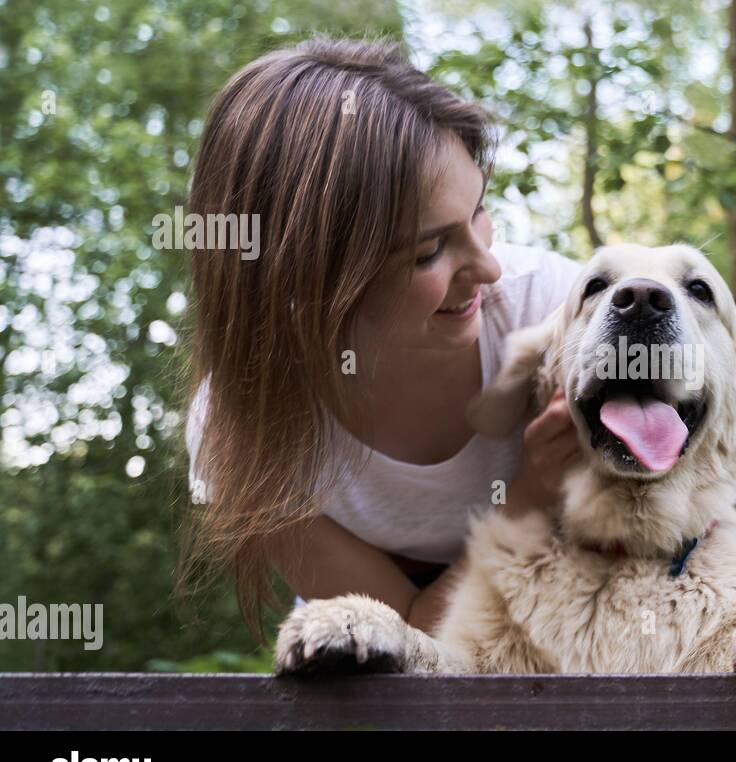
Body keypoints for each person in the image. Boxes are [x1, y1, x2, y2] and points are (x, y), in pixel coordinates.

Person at [179, 38, 580, 642]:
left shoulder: (551, 311)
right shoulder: (241, 426)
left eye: (477, 213)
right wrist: (527, 500)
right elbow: (408, 636)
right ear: (306, 278)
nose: (488, 267)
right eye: (428, 252)